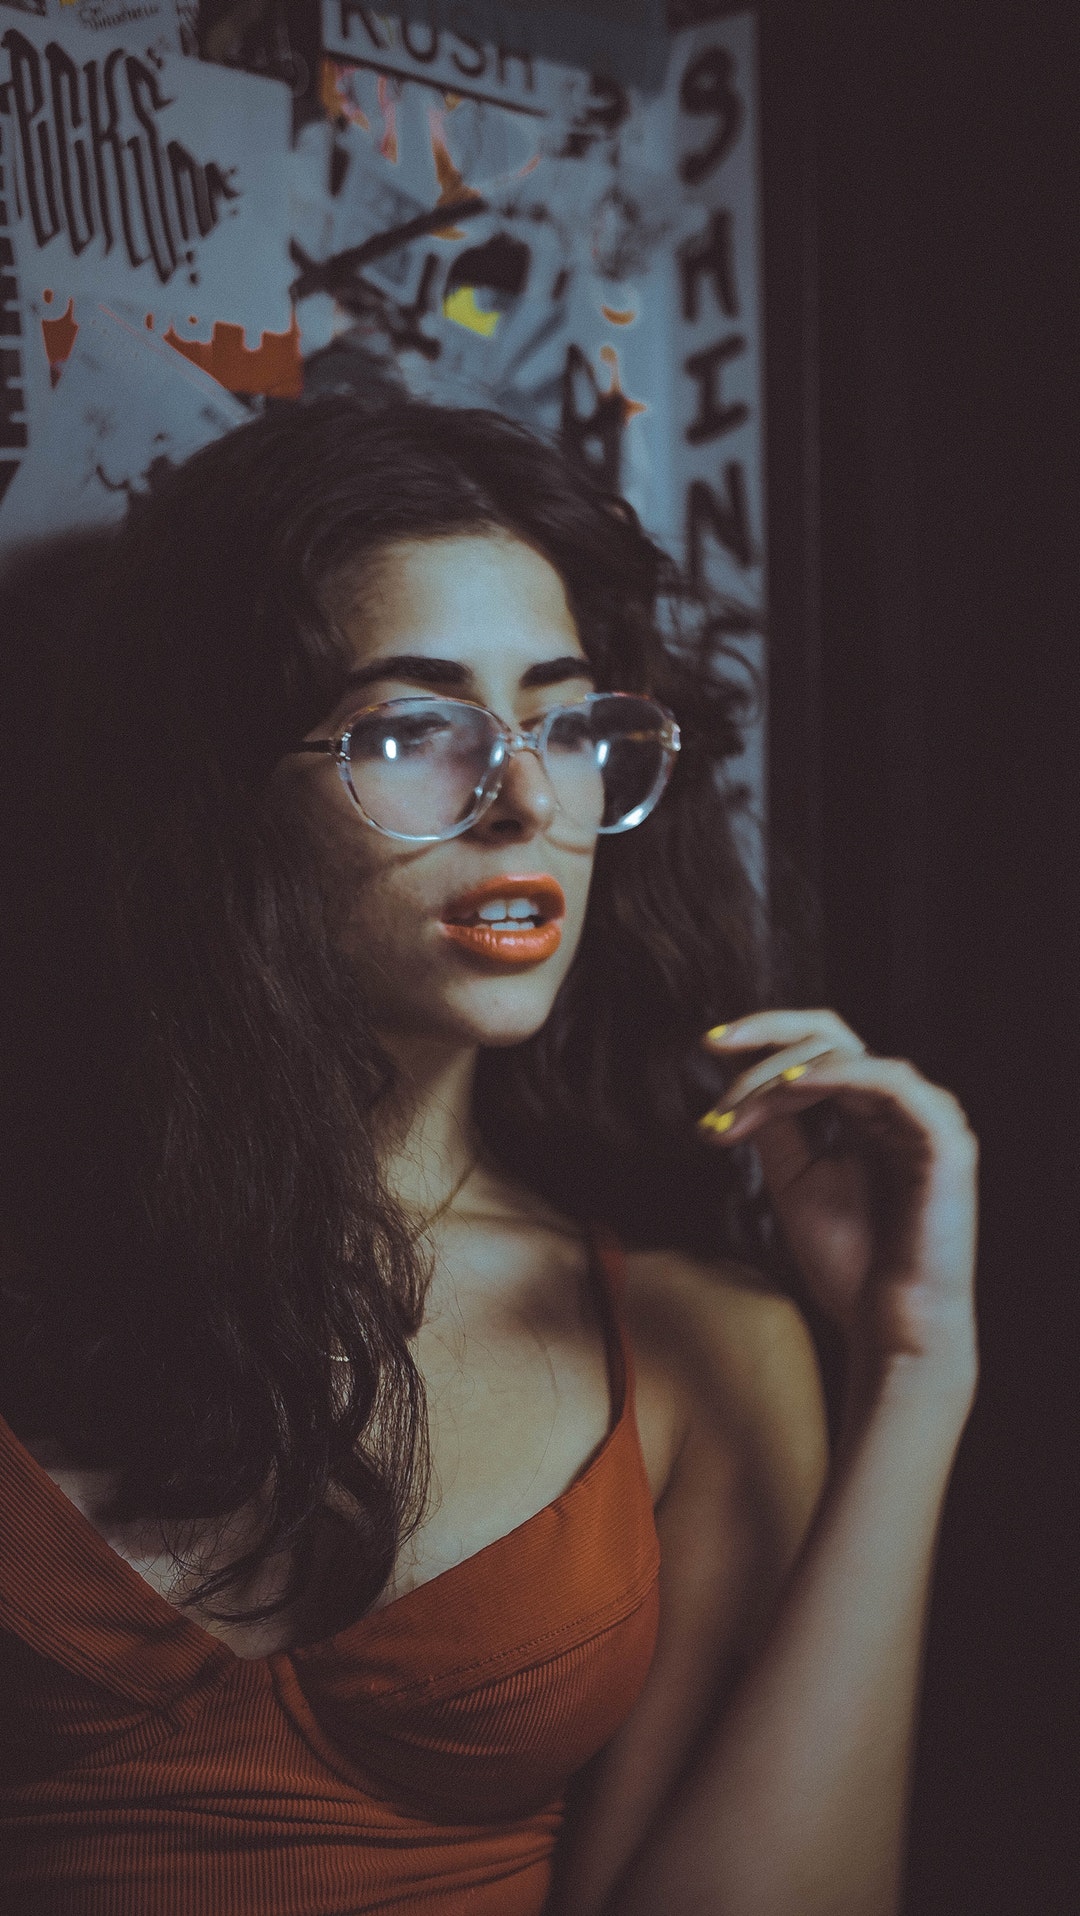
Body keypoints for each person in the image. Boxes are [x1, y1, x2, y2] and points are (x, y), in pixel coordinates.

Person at [0, 397, 978, 1916]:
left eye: (572, 725)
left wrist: (917, 1370)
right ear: (210, 791)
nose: (526, 803)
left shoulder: (694, 1344)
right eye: (411, 728)